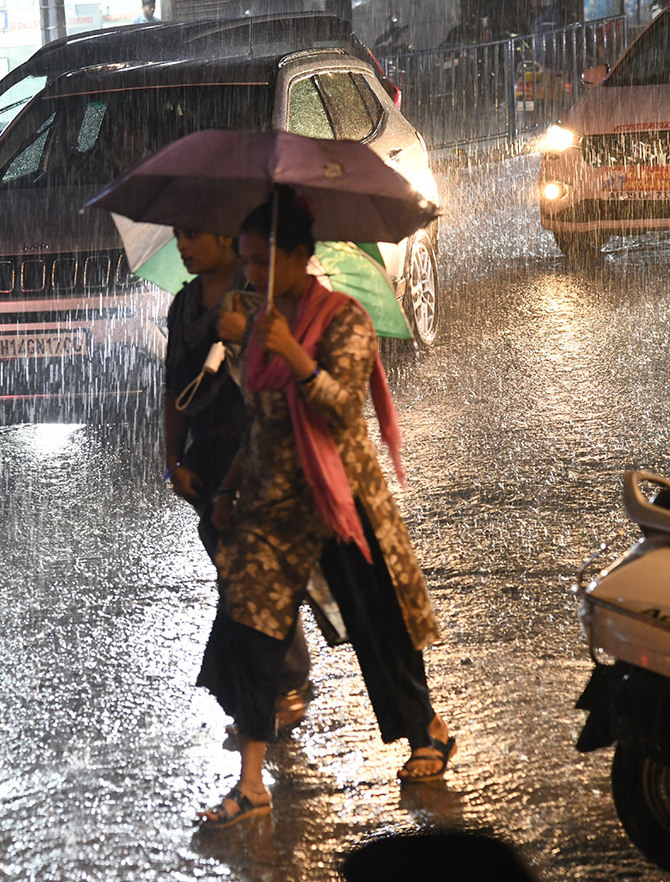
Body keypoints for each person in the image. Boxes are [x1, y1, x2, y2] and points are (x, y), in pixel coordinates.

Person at [195, 187, 455, 830]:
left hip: (342, 496)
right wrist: (227, 488)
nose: (252, 273)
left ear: (300, 257)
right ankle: (251, 782)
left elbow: (340, 407)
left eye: (263, 261)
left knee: (378, 621)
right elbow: (259, 420)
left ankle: (425, 728)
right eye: (247, 261)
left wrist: (291, 352)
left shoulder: (344, 319)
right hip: (272, 502)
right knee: (249, 630)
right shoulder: (254, 321)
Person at [163, 229, 311, 734]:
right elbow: (173, 385)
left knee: (253, 576)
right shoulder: (184, 303)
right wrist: (172, 460)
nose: (182, 245)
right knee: (233, 570)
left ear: (226, 237)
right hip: (205, 454)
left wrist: (244, 332)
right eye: (178, 235)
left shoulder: (256, 303)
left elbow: (277, 384)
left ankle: (283, 686)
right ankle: (262, 691)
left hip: (253, 453)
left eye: (194, 234)